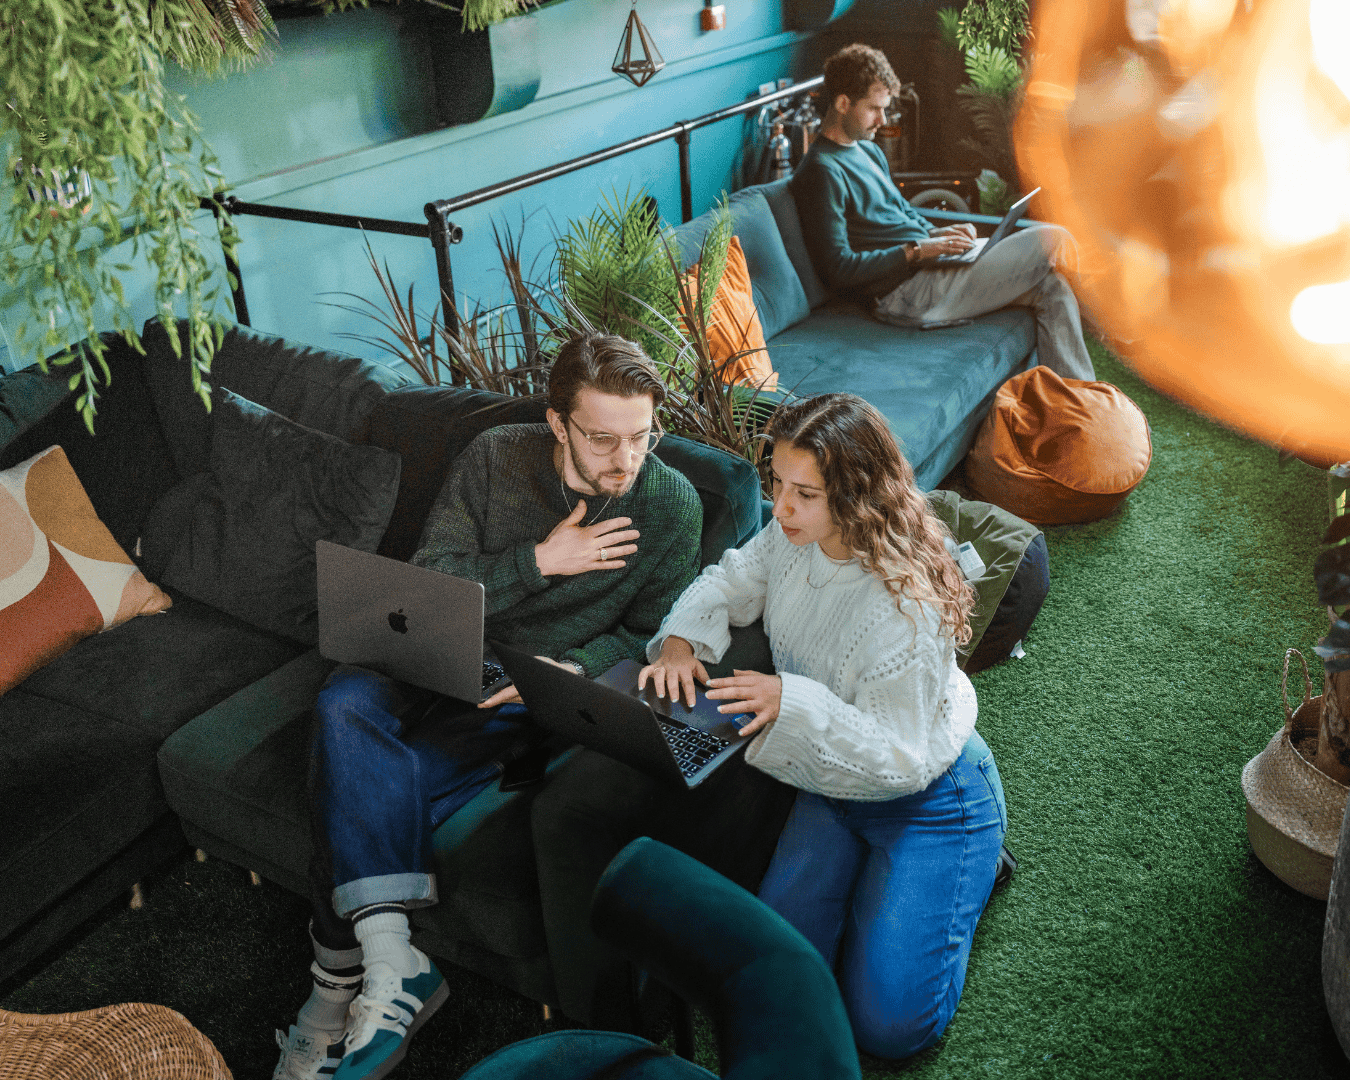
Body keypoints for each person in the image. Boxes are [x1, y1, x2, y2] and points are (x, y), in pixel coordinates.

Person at [274, 334, 704, 1080]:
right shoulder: (495, 457)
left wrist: (573, 669)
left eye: (641, 436)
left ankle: (336, 982)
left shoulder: (672, 507)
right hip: (438, 649)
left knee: (356, 772)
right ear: (557, 423)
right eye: (602, 439)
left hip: (525, 690)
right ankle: (392, 960)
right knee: (343, 699)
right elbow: (432, 572)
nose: (626, 460)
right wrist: (539, 562)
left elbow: (651, 633)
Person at [640, 393, 1008, 1059]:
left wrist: (794, 702)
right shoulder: (790, 539)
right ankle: (885, 888)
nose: (780, 508)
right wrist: (679, 643)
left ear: (859, 496)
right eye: (778, 483)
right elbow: (731, 580)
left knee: (888, 1028)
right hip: (830, 789)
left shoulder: (906, 610)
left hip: (929, 798)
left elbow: (901, 758)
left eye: (804, 494)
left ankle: (975, 868)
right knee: (782, 977)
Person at [791, 43, 1097, 382]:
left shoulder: (868, 151)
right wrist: (917, 250)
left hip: (931, 269)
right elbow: (839, 268)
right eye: (874, 109)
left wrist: (938, 234)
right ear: (842, 103)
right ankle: (1121, 328)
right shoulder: (821, 171)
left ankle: (1078, 401)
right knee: (1054, 238)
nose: (883, 120)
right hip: (904, 294)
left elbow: (902, 213)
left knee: (1053, 289)